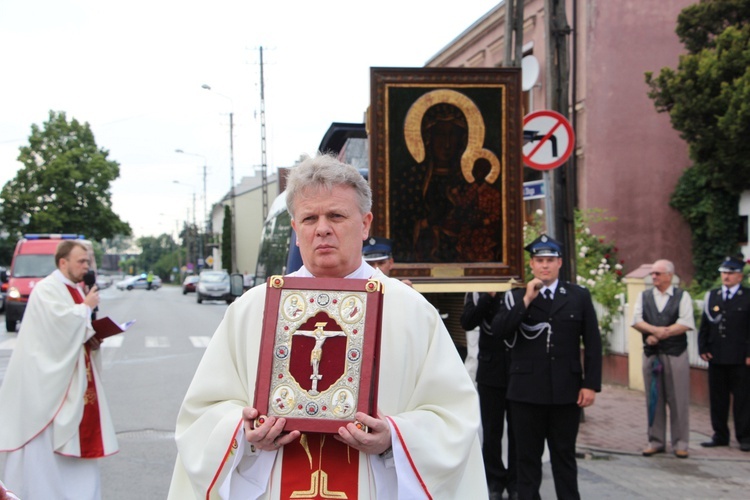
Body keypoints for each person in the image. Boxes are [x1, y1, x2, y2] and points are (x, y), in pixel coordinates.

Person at [168, 152, 486, 499]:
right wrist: (243, 430)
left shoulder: (411, 311)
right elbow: (201, 415)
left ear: (365, 224)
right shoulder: (252, 309)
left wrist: (393, 437)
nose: (322, 228)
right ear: (295, 229)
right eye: (309, 218)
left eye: (336, 215)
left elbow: (455, 418)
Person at [0, 240, 119, 499]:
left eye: (87, 261)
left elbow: (74, 330)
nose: (86, 266)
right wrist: (85, 309)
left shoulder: (74, 289)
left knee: (76, 442)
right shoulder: (47, 289)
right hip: (46, 384)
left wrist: (93, 338)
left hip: (73, 376)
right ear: (62, 262)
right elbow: (58, 328)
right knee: (45, 448)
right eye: (81, 261)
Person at [492, 234, 602, 500]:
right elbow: (500, 331)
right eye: (540, 260)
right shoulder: (517, 296)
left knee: (564, 457)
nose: (545, 266)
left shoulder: (578, 296)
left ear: (559, 263)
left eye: (550, 260)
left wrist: (590, 385)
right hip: (526, 394)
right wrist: (527, 300)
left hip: (566, 392)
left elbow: (593, 341)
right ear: (532, 264)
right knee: (527, 461)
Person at [632, 259, 695, 459]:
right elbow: (637, 320)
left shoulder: (682, 296)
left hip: (676, 354)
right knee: (654, 399)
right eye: (652, 274)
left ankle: (680, 443)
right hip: (652, 354)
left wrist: (660, 333)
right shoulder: (645, 296)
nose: (654, 277)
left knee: (678, 399)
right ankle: (656, 441)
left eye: (658, 274)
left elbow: (685, 322)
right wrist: (653, 331)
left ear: (669, 275)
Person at [461, 291, 516, 499]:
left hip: (517, 369)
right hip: (490, 370)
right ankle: (494, 480)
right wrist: (487, 297)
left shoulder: (517, 291)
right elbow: (467, 321)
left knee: (518, 431)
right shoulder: (476, 293)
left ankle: (515, 481)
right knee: (492, 430)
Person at [698, 255, 750, 452]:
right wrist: (703, 348)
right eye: (723, 273)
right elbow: (705, 324)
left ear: (739, 276)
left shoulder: (747, 296)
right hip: (717, 355)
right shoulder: (713, 295)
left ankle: (745, 436)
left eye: (730, 273)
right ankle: (720, 434)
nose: (726, 277)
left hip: (740, 357)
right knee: (718, 399)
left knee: (743, 400)